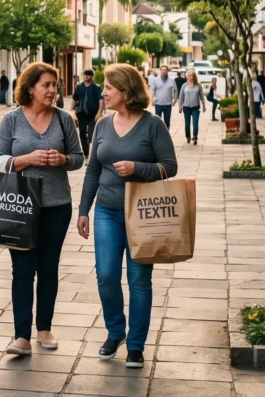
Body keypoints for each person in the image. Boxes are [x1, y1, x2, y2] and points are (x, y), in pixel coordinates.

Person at [78, 63, 176, 367]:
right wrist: (83, 210)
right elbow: (93, 168)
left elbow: (169, 166)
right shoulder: (103, 124)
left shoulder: (153, 125)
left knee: (138, 280)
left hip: (143, 214)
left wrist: (138, 169)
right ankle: (115, 331)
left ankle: (136, 345)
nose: (103, 92)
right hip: (107, 211)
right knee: (106, 275)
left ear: (126, 91)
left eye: (109, 88)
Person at [0, 62, 85, 357]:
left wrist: (63, 161)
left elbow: (80, 157)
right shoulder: (11, 121)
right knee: (22, 270)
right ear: (30, 87)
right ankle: (22, 336)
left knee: (48, 268)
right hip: (19, 205)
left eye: (55, 85)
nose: (53, 90)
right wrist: (27, 159)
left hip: (57, 205)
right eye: (46, 85)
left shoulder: (63, 120)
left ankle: (44, 327)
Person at [72, 69, 102, 157]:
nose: (86, 76)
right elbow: (74, 99)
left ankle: (92, 152)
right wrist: (71, 111)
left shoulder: (97, 88)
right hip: (81, 115)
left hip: (93, 115)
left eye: (88, 74)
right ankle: (86, 152)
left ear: (92, 76)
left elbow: (101, 101)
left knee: (91, 134)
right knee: (82, 133)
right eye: (85, 74)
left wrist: (99, 112)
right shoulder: (79, 87)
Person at [178, 69, 205, 145]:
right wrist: (180, 106)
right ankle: (188, 137)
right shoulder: (184, 85)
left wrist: (204, 105)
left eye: (190, 75)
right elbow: (181, 97)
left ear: (194, 77)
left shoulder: (198, 86)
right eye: (188, 75)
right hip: (186, 107)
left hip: (195, 107)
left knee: (195, 123)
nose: (189, 77)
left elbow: (202, 96)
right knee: (187, 123)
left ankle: (195, 137)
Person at [148, 66, 176, 130]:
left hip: (168, 104)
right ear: (160, 71)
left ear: (167, 71)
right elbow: (152, 90)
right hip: (158, 104)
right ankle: (158, 135)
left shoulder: (172, 80)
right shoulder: (155, 80)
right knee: (157, 121)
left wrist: (174, 100)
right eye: (162, 70)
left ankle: (166, 134)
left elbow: (175, 91)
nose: (164, 71)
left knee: (167, 121)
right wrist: (152, 99)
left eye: (165, 70)